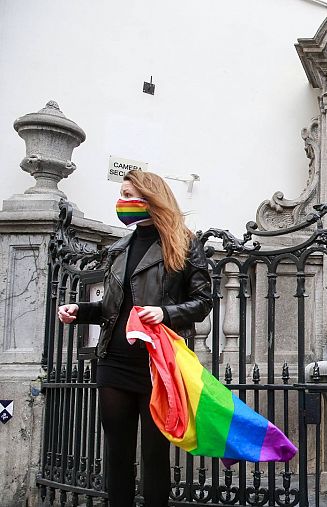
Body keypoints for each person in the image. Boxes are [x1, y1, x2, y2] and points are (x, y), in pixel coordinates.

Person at [57, 170, 212, 506]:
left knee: (155, 454)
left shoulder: (183, 242)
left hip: (157, 365)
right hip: (113, 361)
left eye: (129, 194)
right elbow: (112, 307)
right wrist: (79, 310)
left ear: (150, 198)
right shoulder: (120, 247)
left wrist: (166, 313)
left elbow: (204, 302)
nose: (122, 201)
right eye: (122, 193)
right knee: (117, 453)